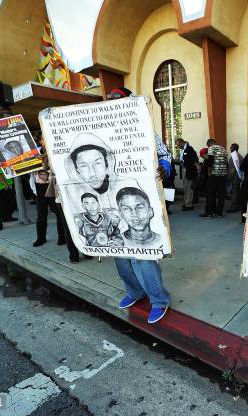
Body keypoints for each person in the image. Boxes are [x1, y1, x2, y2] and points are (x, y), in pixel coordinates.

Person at [106, 87, 171, 325]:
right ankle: (135, 292)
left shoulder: (142, 127)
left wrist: (165, 167)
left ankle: (159, 300)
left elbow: (164, 153)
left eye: (118, 99)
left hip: (138, 198)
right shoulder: (100, 128)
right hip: (113, 202)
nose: (113, 102)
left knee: (143, 255)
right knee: (120, 255)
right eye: (110, 100)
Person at [200, 139, 228, 218]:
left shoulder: (211, 148)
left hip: (214, 174)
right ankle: (219, 213)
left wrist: (205, 158)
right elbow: (226, 162)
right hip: (223, 175)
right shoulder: (223, 149)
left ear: (209, 144)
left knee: (210, 193)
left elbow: (210, 162)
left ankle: (209, 213)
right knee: (221, 194)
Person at [175, 138, 199, 211]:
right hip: (185, 170)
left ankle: (189, 204)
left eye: (179, 145)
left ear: (182, 142)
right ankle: (186, 202)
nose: (179, 147)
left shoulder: (189, 148)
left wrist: (198, 167)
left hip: (188, 171)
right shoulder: (183, 150)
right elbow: (183, 160)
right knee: (185, 187)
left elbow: (193, 159)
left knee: (188, 188)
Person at [227, 143, 243, 213]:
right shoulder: (240, 156)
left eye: (230, 147)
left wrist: (228, 178)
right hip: (239, 177)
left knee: (234, 192)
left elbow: (232, 170)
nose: (230, 148)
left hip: (234, 177)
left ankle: (234, 207)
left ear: (233, 148)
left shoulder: (234, 157)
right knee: (237, 191)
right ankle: (238, 205)